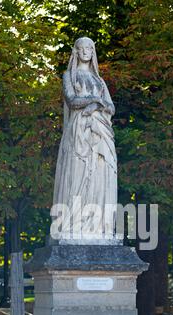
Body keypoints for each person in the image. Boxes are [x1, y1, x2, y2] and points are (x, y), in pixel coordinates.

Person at [52, 37, 118, 241]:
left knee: (101, 175)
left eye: (90, 48)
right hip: (79, 131)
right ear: (76, 52)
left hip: (101, 132)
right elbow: (72, 101)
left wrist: (97, 104)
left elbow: (111, 107)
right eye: (81, 48)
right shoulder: (69, 76)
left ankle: (98, 225)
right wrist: (95, 100)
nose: (86, 51)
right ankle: (73, 223)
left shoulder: (99, 80)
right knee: (78, 174)